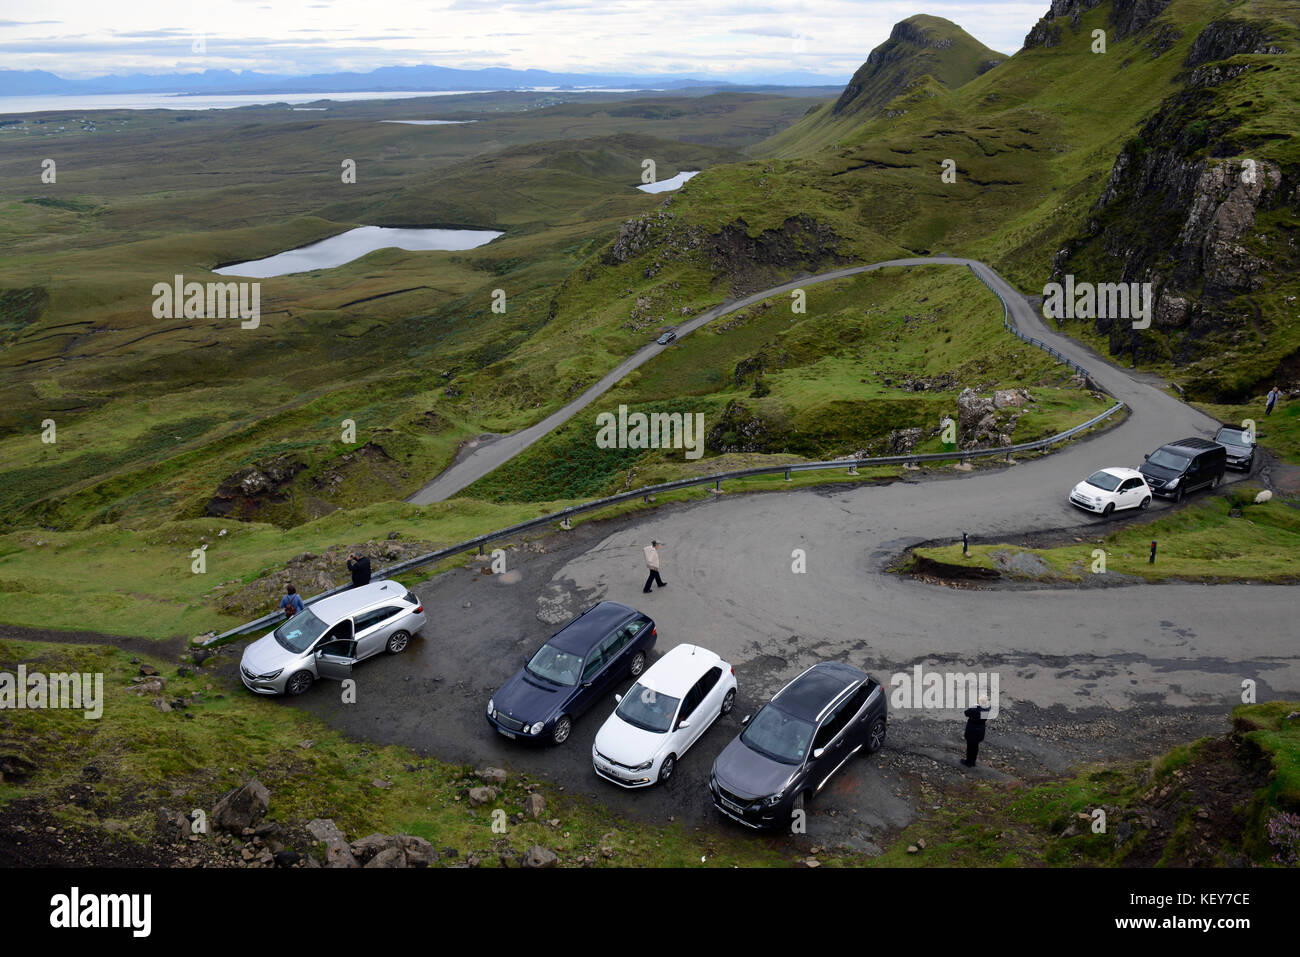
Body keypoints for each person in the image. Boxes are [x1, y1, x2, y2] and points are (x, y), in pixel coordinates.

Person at [961, 694, 992, 767]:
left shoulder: (975, 709)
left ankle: (968, 762)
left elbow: (966, 713)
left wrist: (974, 706)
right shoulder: (987, 708)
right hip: (980, 729)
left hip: (972, 729)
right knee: (975, 747)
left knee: (970, 747)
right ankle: (973, 761)